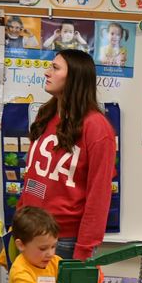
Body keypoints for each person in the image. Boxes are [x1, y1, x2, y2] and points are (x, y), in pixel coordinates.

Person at [17, 49, 115, 260]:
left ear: (74, 78)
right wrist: (18, 221)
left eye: (55, 68)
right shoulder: (46, 114)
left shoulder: (97, 128)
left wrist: (84, 250)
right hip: (28, 233)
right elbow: (33, 177)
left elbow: (99, 196)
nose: (46, 72)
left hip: (64, 243)